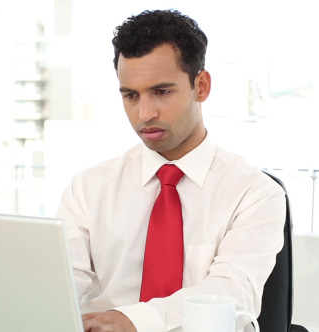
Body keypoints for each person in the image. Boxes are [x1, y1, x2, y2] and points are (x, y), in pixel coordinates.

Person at [56, 9, 286, 332]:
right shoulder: (88, 189)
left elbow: (231, 293)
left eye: (161, 92)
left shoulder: (255, 194)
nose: (144, 114)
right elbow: (60, 286)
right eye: (130, 95)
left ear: (201, 86)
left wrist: (134, 321)